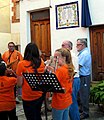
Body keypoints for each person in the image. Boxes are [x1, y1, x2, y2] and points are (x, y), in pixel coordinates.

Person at [16, 43, 45, 120]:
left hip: (28, 95)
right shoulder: (41, 61)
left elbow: (19, 83)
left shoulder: (21, 64)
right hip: (39, 93)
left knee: (30, 117)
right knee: (37, 114)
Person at [46, 48, 75, 120]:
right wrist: (54, 71)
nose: (54, 59)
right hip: (67, 99)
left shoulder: (61, 70)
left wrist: (48, 69)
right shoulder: (69, 68)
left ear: (64, 58)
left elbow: (52, 83)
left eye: (56, 57)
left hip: (59, 100)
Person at [62, 40, 80, 120]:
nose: (61, 47)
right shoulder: (67, 56)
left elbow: (74, 71)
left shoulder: (72, 56)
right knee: (70, 101)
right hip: (71, 79)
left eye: (63, 45)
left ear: (69, 47)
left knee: (72, 101)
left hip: (73, 79)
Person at [76, 38, 91, 119]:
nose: (76, 46)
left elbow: (79, 66)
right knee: (80, 94)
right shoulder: (82, 53)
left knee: (84, 95)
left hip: (84, 77)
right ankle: (82, 110)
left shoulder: (84, 54)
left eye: (78, 45)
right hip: (82, 76)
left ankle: (85, 112)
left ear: (82, 45)